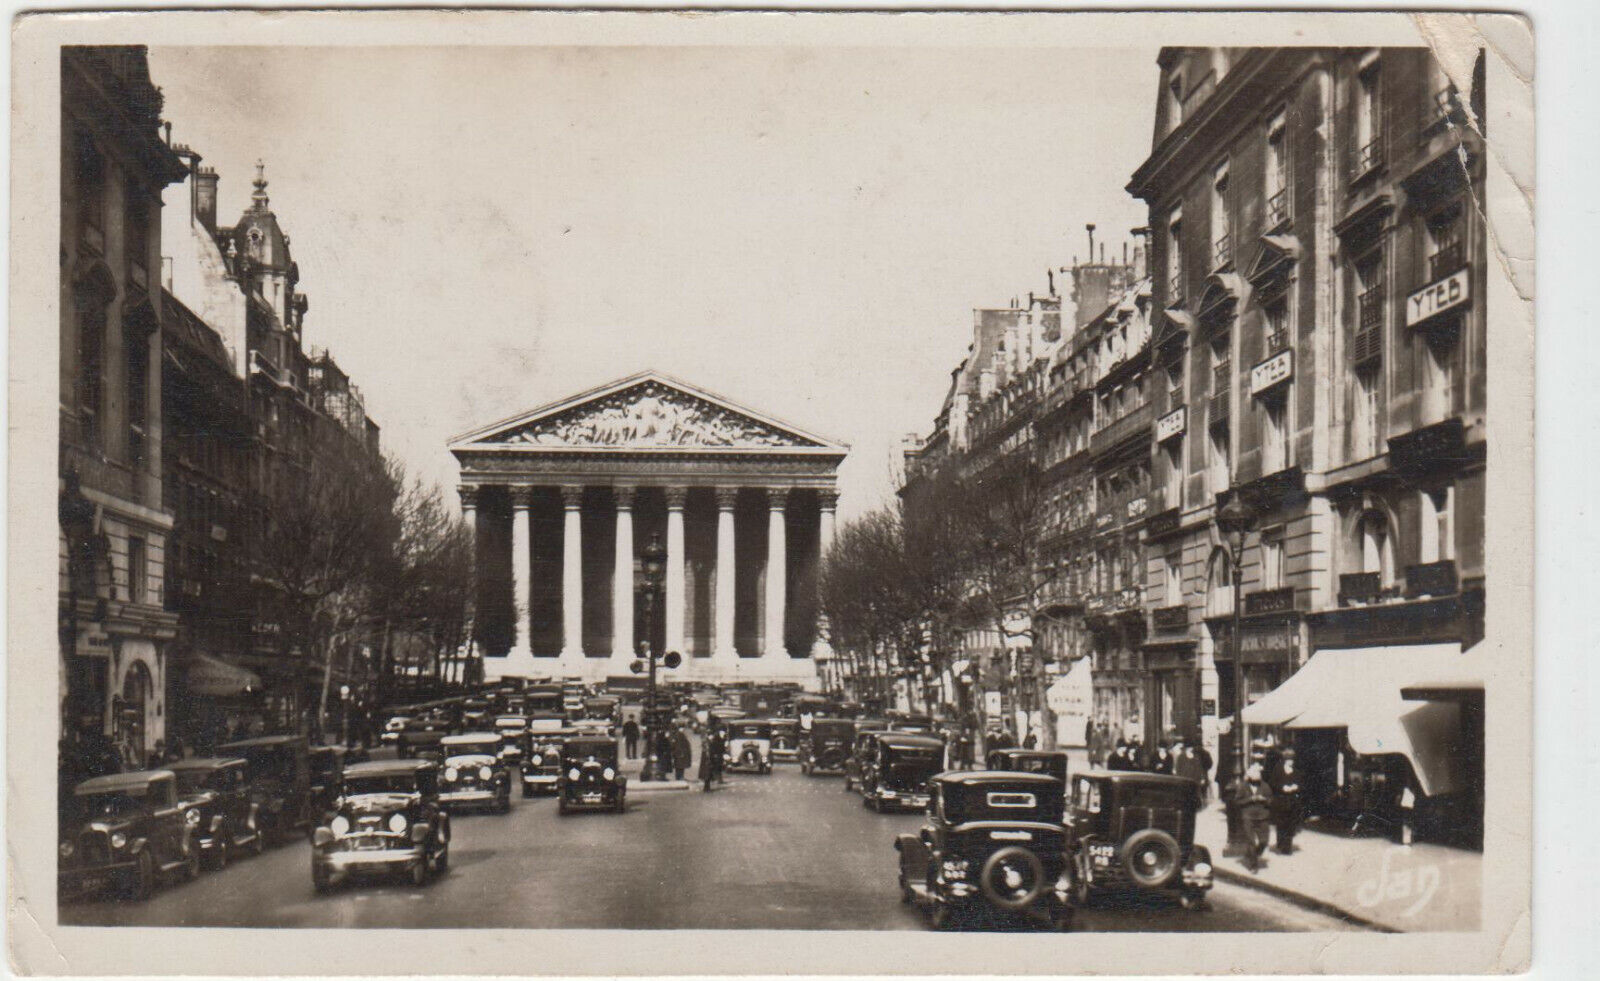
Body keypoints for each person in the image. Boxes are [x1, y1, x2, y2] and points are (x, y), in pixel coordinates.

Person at [1234, 761, 1275, 873]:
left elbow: (1271, 800)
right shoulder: (1243, 786)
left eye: (1259, 776)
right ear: (1250, 777)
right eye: (1255, 776)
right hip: (1248, 816)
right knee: (1251, 841)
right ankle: (1253, 865)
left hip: (1263, 817)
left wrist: (1265, 800)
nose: (1257, 778)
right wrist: (1250, 799)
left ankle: (1253, 854)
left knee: (1264, 842)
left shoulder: (1265, 786)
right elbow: (1237, 801)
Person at [1268, 747, 1303, 855]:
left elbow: (1300, 784)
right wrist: (1282, 788)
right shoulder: (1278, 770)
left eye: (1292, 760)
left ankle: (1287, 847)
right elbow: (1272, 783)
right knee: (1281, 823)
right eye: (1288, 760)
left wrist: (1295, 787)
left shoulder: (1296, 772)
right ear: (1284, 760)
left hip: (1292, 801)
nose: (1290, 762)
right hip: (1280, 801)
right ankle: (1281, 843)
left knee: (1290, 824)